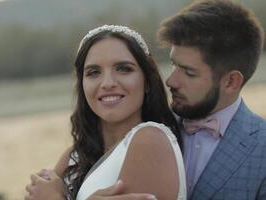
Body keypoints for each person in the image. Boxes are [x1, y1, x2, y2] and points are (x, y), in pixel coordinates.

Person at [64, 0, 266, 200]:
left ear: (231, 82)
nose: (170, 81)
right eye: (173, 65)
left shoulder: (261, 149)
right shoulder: (147, 125)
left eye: (188, 72)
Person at [25, 25, 187, 200]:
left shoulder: (151, 140)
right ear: (82, 84)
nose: (108, 83)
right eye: (94, 72)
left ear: (147, 81)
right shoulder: (74, 157)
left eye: (124, 69)